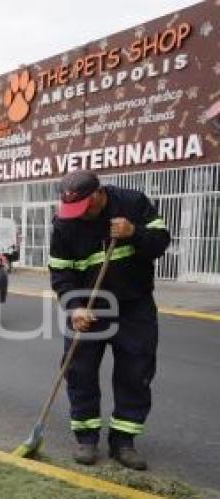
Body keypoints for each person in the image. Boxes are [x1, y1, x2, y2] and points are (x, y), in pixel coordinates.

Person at [49, 170, 170, 470]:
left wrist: (134, 233)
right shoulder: (65, 223)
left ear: (99, 194)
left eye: (85, 207)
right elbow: (61, 271)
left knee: (135, 371)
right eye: (73, 210)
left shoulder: (132, 203)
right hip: (89, 309)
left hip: (133, 306)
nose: (80, 215)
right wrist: (74, 307)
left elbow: (161, 243)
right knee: (80, 371)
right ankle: (86, 438)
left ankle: (124, 442)